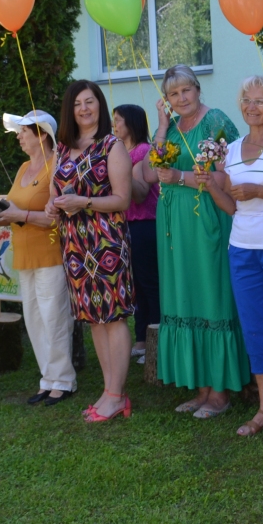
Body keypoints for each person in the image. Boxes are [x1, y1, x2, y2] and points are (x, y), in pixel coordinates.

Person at [194, 76, 263, 440]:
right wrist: (213, 186)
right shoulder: (231, 149)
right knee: (256, 329)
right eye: (246, 99)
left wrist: (260, 190)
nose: (251, 106)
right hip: (241, 249)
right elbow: (232, 208)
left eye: (260, 100)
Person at [139, 65, 249, 418]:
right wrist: (160, 125)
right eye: (174, 94)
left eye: (186, 90)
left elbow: (230, 174)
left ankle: (219, 392)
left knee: (210, 294)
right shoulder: (169, 129)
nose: (181, 98)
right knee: (184, 296)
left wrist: (183, 177)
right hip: (173, 225)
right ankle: (200, 388)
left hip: (206, 219)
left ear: (198, 90)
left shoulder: (214, 120)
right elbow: (152, 170)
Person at [46, 80, 134, 422]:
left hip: (106, 240)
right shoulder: (63, 149)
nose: (85, 108)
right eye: (78, 104)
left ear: (99, 105)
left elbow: (122, 199)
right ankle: (111, 391)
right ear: (70, 110)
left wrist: (83, 201)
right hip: (75, 245)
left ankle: (115, 394)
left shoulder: (112, 145)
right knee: (94, 319)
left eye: (91, 101)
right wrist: (53, 206)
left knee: (113, 317)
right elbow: (52, 193)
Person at [0, 111, 76, 406]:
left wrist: (19, 214)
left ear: (42, 134)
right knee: (35, 320)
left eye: (23, 131)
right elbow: (19, 207)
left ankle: (64, 380)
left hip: (50, 253)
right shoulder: (22, 168)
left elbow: (58, 215)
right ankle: (48, 379)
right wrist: (5, 214)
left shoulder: (58, 165)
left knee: (54, 318)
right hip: (25, 253)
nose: (18, 135)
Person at [112, 104, 160, 365]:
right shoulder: (123, 152)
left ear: (131, 123)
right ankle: (141, 338)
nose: (114, 125)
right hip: (128, 225)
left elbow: (140, 194)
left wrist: (120, 173)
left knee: (148, 283)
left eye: (118, 120)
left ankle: (155, 338)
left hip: (144, 225)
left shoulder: (141, 151)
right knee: (136, 286)